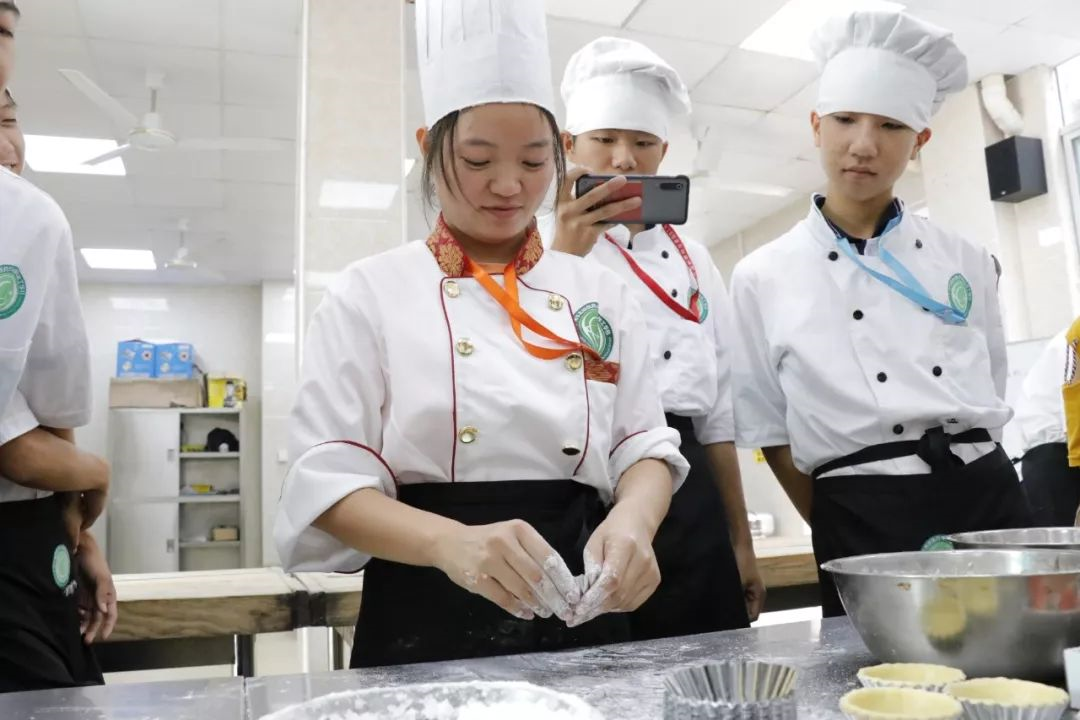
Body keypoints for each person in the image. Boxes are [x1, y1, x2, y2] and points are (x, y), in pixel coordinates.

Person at [275, 0, 687, 668]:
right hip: (424, 599)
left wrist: (635, 521)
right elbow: (326, 483)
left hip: (577, 596)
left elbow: (643, 445)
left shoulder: (600, 292)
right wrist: (449, 544)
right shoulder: (369, 291)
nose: (508, 185)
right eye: (476, 159)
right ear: (428, 148)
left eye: (534, 161)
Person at [730, 9, 1033, 617]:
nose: (864, 145)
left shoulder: (967, 260)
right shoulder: (763, 275)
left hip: (988, 497)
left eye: (891, 125)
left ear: (920, 141)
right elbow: (768, 429)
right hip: (859, 508)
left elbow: (992, 383)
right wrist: (837, 513)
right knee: (880, 667)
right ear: (816, 126)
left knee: (1017, 658)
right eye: (845, 119)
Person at [549, 37, 762, 639]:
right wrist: (566, 254)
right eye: (604, 139)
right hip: (581, 479)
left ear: (664, 152)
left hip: (689, 488)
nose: (624, 158)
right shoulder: (535, 246)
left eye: (643, 142)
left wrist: (740, 539)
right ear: (568, 146)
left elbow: (718, 419)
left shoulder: (695, 259)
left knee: (708, 657)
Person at [0, 82, 115, 692]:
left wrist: (75, 532)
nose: (8, 147)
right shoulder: (38, 220)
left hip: (39, 538)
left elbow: (47, 414)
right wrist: (96, 473)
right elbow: (19, 452)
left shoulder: (28, 228)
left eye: (8, 121)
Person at [1014, 327, 1080, 526]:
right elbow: (1074, 418)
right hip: (1056, 456)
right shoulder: (1075, 337)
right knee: (1064, 542)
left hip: (1063, 448)